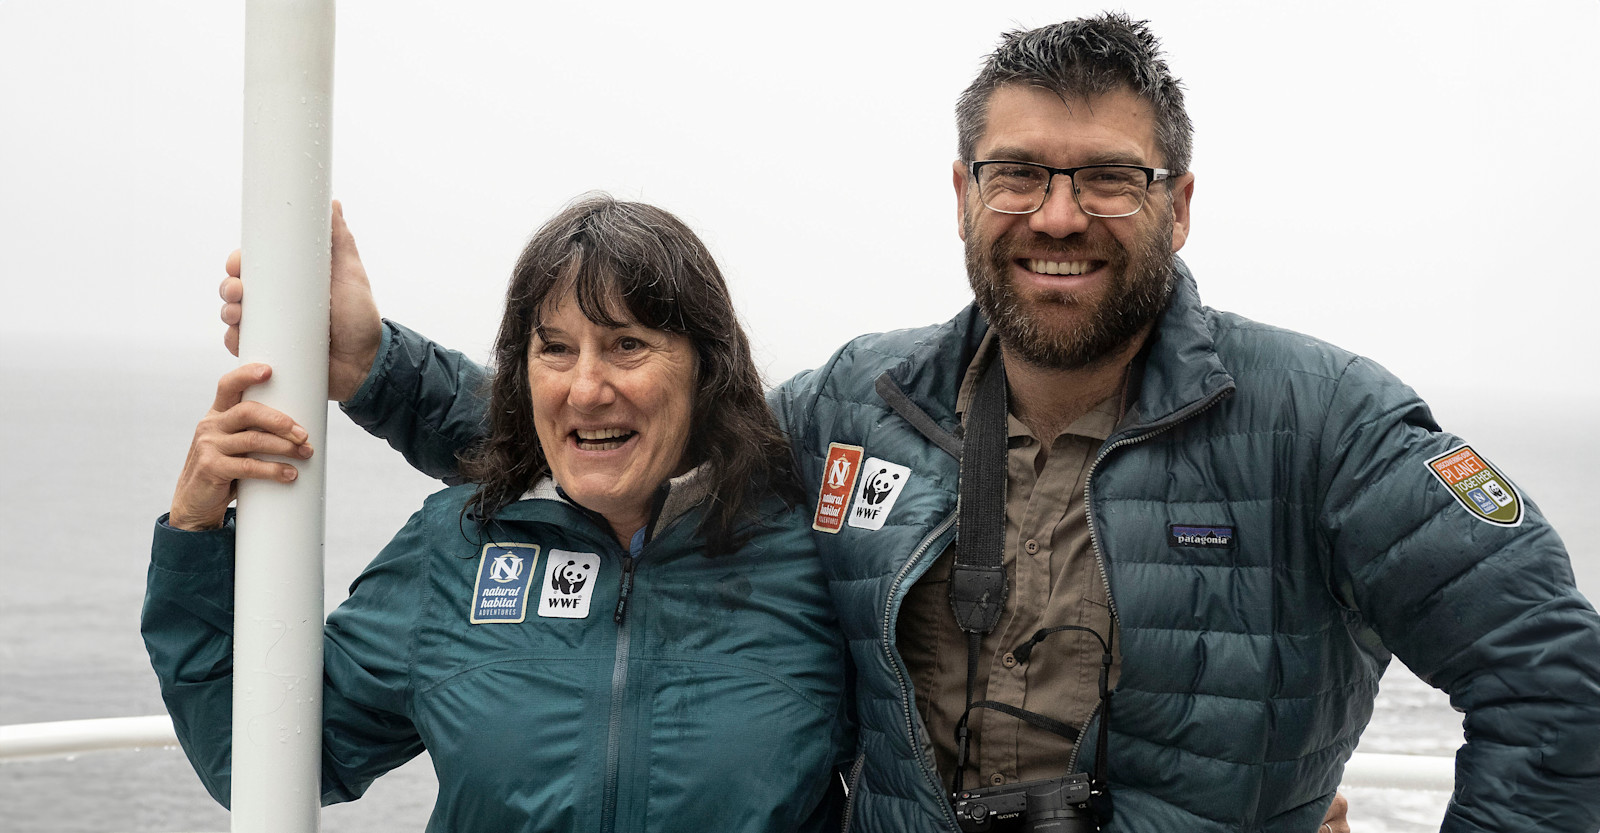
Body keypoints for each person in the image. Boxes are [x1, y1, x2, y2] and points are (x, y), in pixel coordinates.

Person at [222, 16, 1600, 833]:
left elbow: (1550, 674)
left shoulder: (1322, 422)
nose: (1057, 214)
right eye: (1019, 173)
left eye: (1107, 178)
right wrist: (374, 367)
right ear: (961, 194)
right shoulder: (861, 407)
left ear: (1179, 205)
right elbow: (620, 437)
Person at [143, 196, 852, 831]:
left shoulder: (814, 552)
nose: (586, 389)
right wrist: (194, 534)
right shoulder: (456, 546)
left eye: (628, 345)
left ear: (707, 367)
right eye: (555, 349)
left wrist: (376, 366)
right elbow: (255, 758)